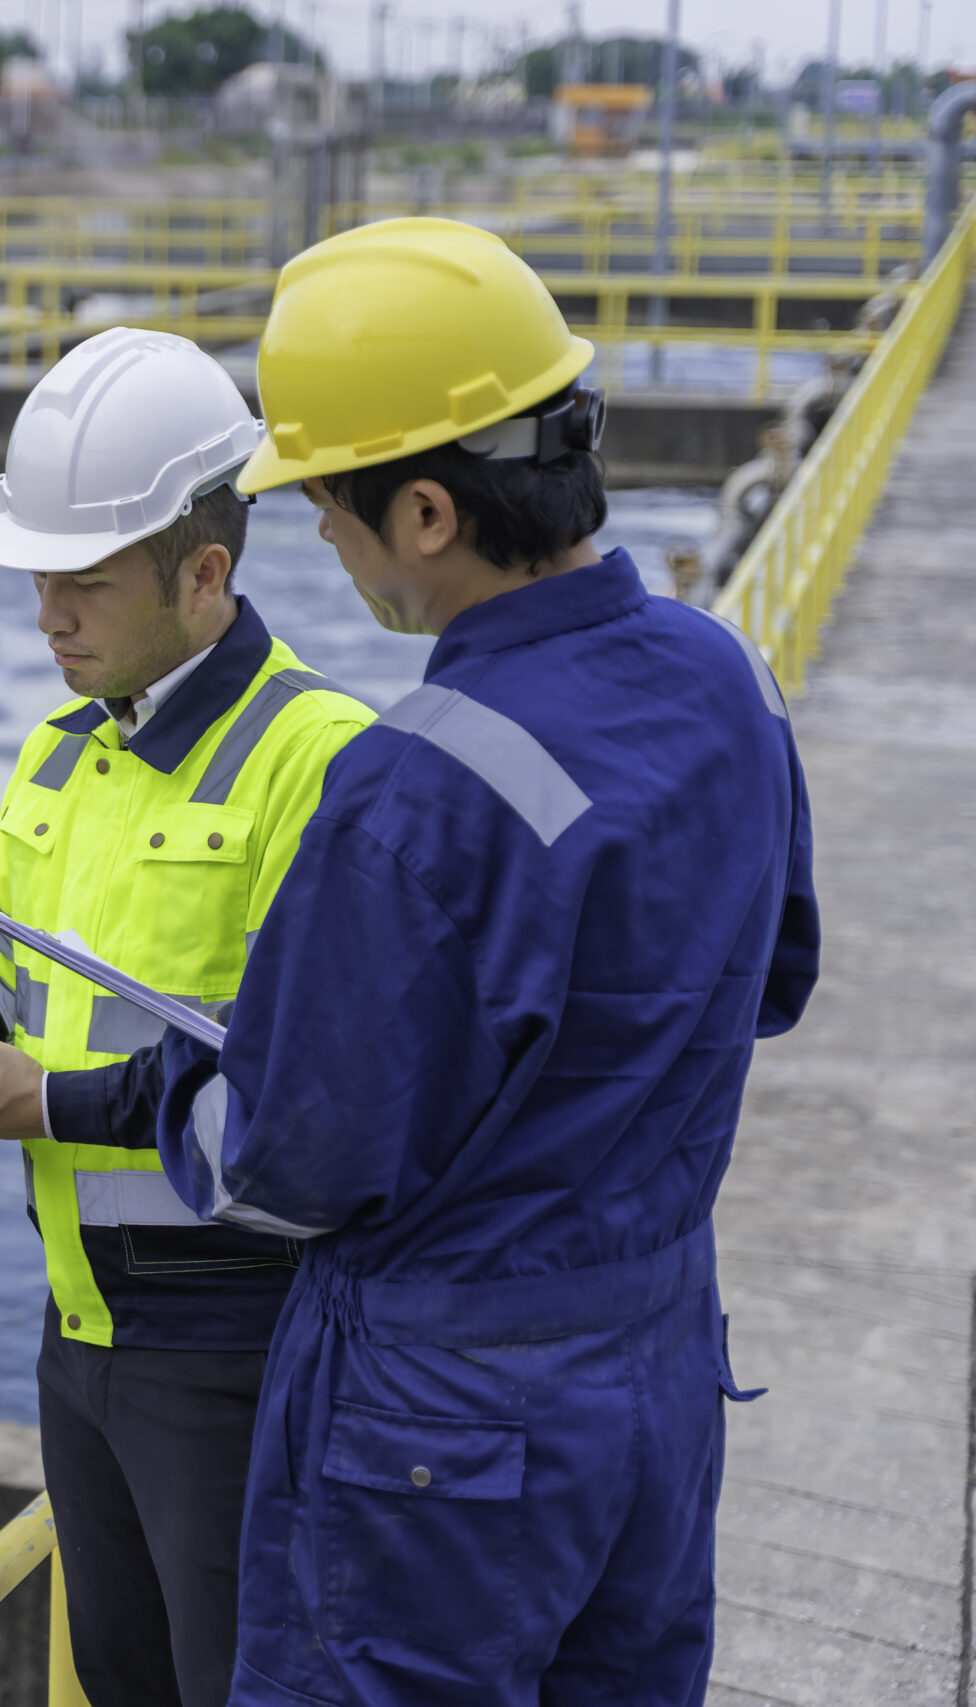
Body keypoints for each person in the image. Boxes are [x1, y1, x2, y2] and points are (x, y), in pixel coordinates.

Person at [120, 217, 815, 1703]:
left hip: (443, 1423)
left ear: (426, 513)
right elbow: (773, 981)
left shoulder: (415, 785)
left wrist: (196, 1067)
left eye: (328, 503)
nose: (315, 533)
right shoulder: (730, 677)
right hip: (653, 1366)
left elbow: (285, 1165)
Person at [0, 326, 375, 1707]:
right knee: (117, 1678)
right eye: (37, 578)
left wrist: (42, 1100)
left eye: (83, 583)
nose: (49, 615)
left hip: (237, 1345)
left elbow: (300, 1079)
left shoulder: (319, 761)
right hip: (83, 1338)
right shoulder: (66, 748)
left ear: (205, 573)